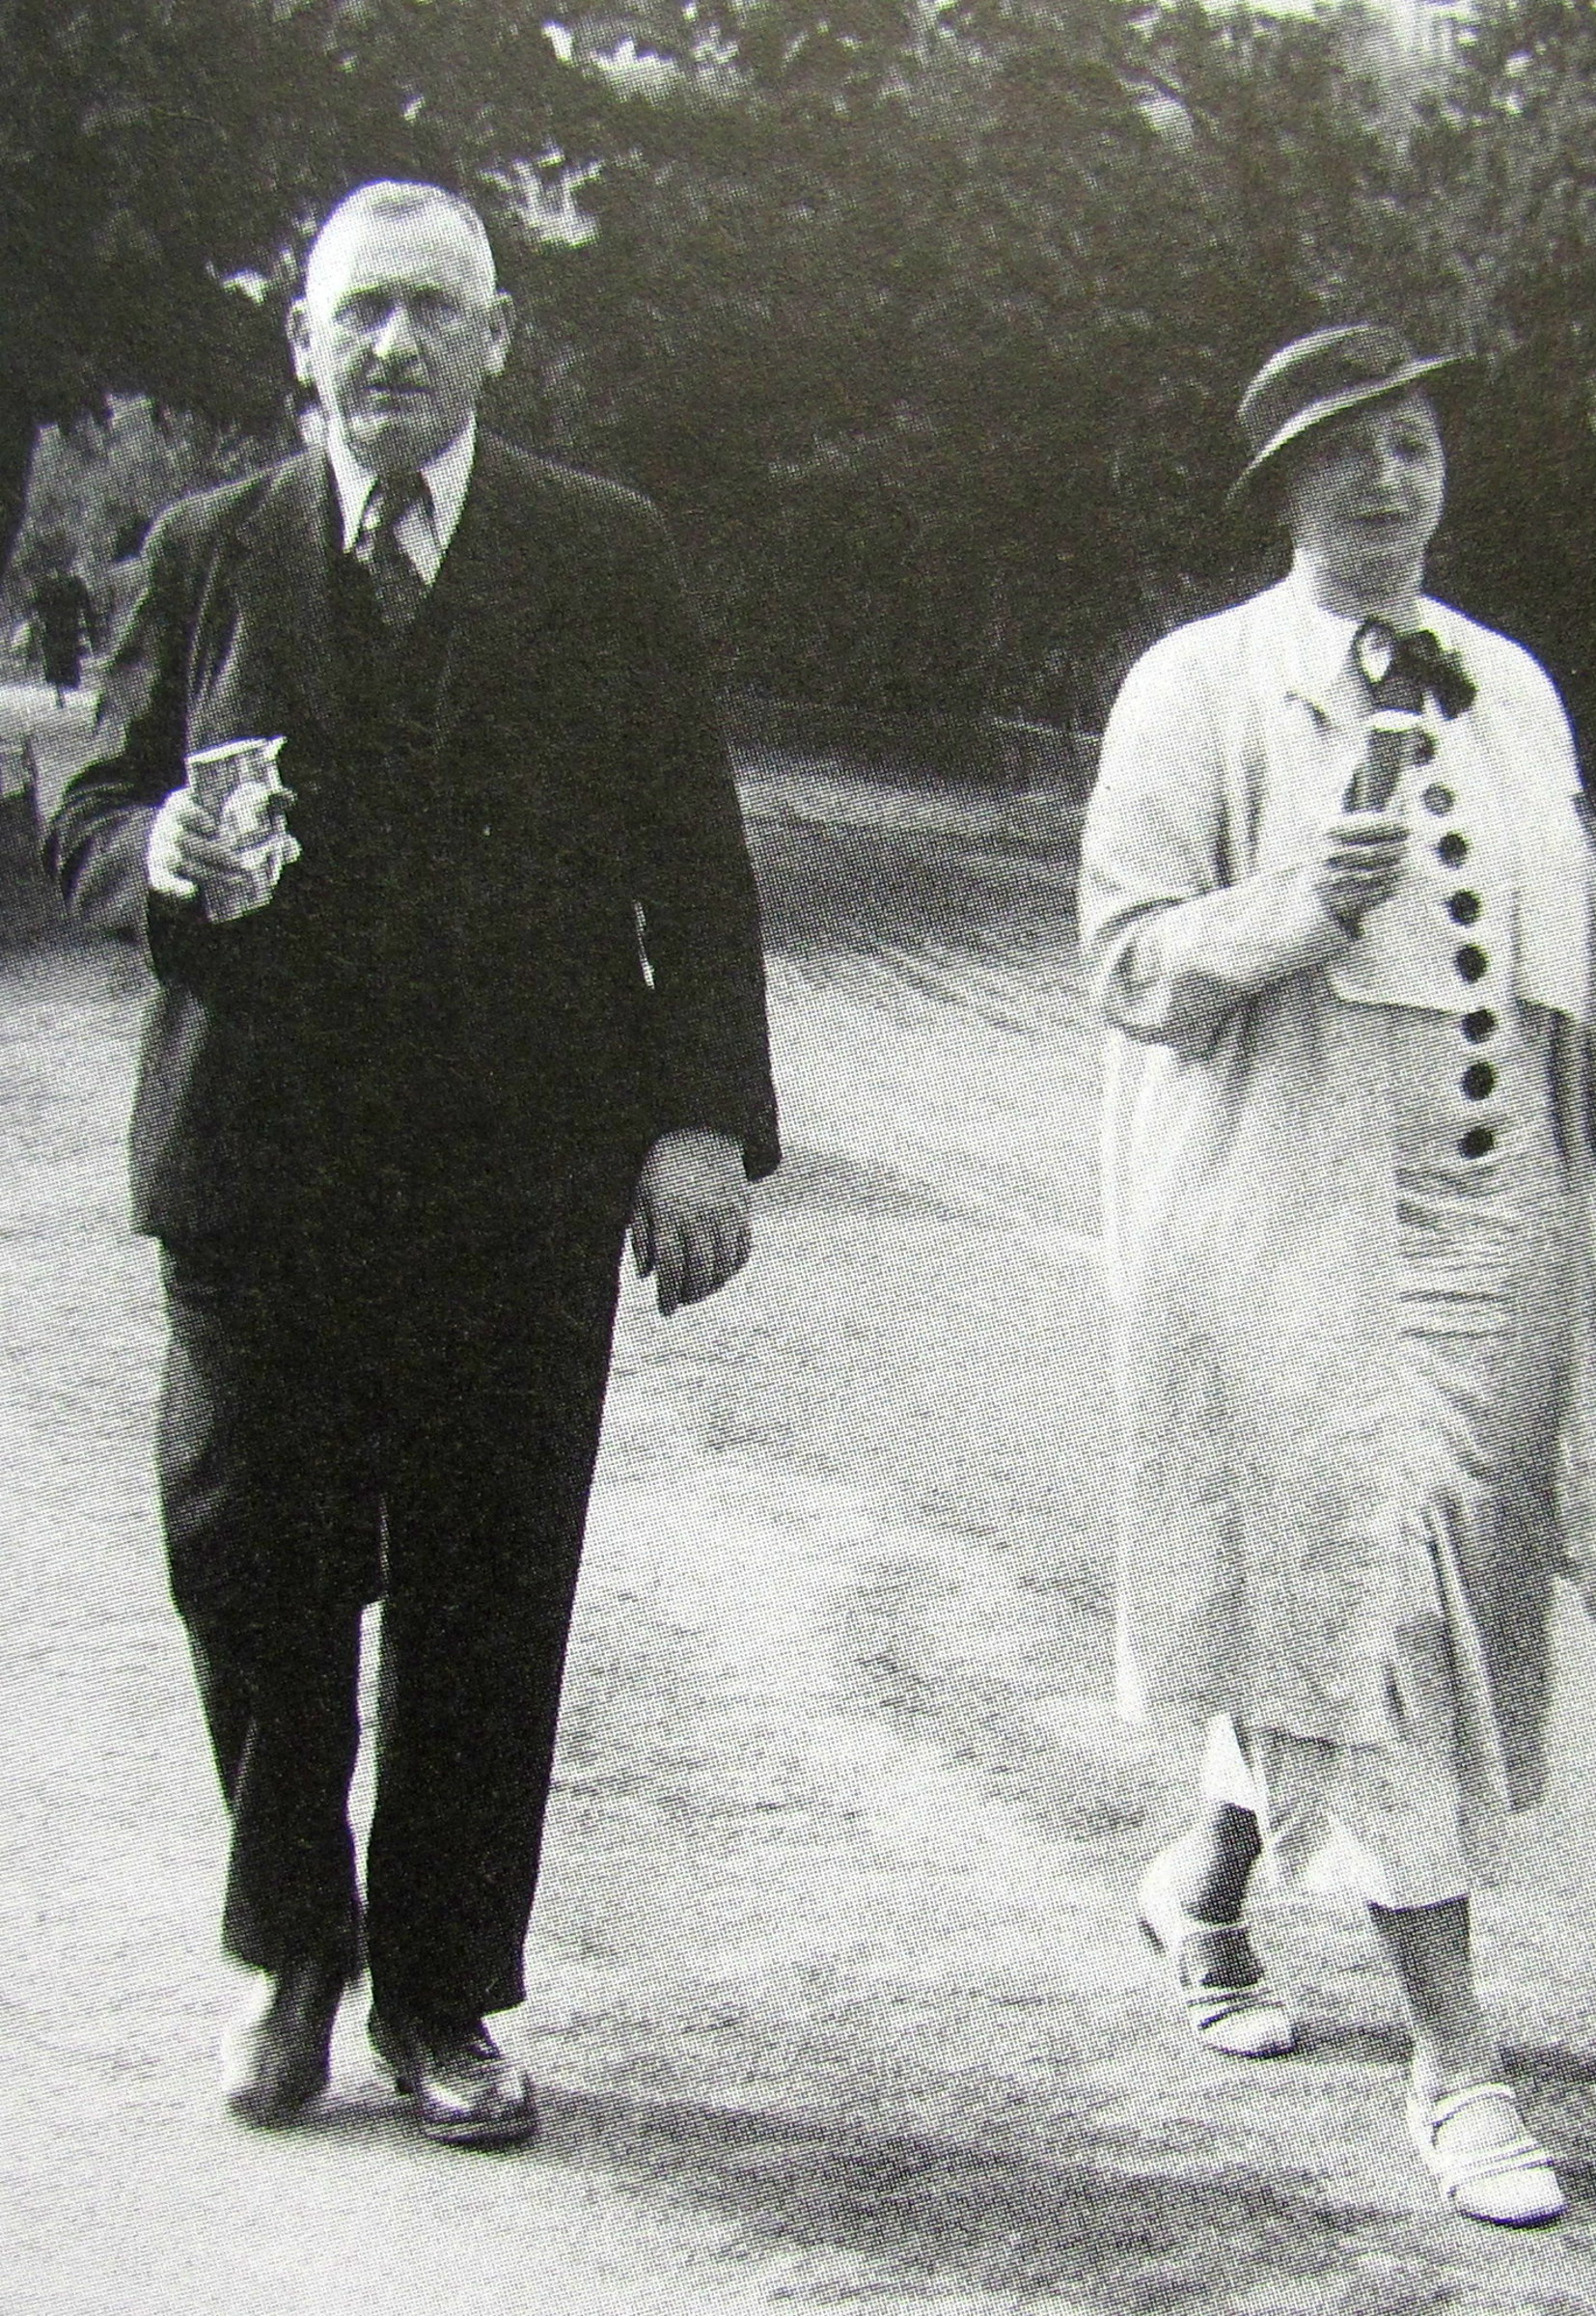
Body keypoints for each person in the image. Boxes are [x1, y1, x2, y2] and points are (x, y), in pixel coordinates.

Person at [44, 180, 778, 2148]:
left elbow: (693, 859)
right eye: (357, 311)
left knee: (485, 1587)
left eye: (430, 310)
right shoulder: (209, 552)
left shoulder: (600, 552)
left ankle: (441, 1996)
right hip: (256, 1182)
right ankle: (293, 1949)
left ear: (494, 339)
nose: (391, 346)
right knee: (250, 1573)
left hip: (508, 1186)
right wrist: (154, 858)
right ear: (299, 343)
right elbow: (89, 808)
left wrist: (698, 1120)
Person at [1079, 324, 1596, 2226]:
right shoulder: (1196, 688)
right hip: (1282, 1235)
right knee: (1373, 1608)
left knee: (1395, 1609)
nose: (1383, 479)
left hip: (1496, 1241)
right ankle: (1454, 2065)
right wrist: (1289, 911)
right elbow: (1126, 961)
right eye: (1341, 453)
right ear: (1281, 491)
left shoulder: (1509, 688)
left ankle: (1204, 1883)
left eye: (1406, 442)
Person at [30, 562, 99, 705]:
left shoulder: (52, 585)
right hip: (63, 631)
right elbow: (87, 608)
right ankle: (60, 691)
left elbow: (37, 607)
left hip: (60, 631)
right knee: (62, 660)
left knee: (61, 660)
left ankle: (61, 691)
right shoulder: (68, 585)